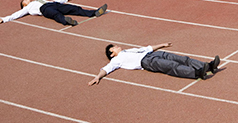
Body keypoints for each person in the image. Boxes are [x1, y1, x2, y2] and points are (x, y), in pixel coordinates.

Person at [88, 43, 220, 85]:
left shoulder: (128, 50)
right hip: (147, 62)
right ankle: (197, 73)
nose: (118, 47)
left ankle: (208, 66)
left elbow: (147, 48)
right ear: (112, 54)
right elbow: (106, 69)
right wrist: (98, 77)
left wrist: (162, 45)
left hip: (153, 54)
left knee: (182, 59)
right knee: (171, 66)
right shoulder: (116, 60)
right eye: (114, 48)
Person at [0, 0, 107, 26]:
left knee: (73, 8)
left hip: (51, 4)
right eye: (25, 1)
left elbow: (53, 1)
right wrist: (4, 19)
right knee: (56, 15)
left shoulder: (37, 0)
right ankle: (67, 21)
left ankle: (94, 12)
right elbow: (17, 14)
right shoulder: (28, 8)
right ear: (24, 5)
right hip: (45, 9)